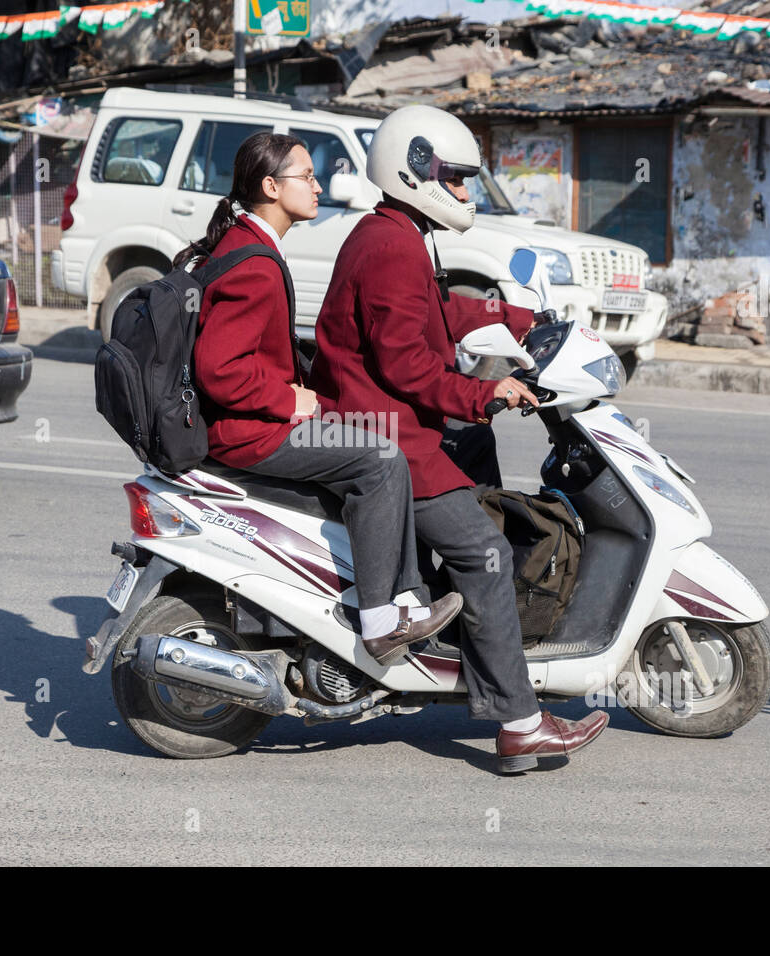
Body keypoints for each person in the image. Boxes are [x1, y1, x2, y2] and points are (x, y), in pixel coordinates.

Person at [309, 105, 610, 773]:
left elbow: (432, 313)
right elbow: (404, 364)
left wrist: (511, 316)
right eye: (456, 179)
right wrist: (484, 393)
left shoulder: (392, 234)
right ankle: (519, 722)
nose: (465, 193)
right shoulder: (391, 244)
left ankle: (456, 653)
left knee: (476, 464)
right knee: (487, 552)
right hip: (388, 435)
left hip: (386, 424)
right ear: (414, 171)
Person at [180, 131, 462, 665]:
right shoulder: (255, 263)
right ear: (270, 186)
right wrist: (291, 401)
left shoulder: (248, 243)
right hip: (248, 433)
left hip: (251, 421)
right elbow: (219, 371)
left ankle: (405, 600)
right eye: (305, 176)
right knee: (380, 459)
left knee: (373, 440)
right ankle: (382, 619)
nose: (316, 186)